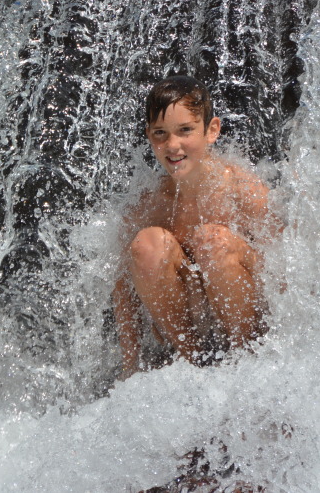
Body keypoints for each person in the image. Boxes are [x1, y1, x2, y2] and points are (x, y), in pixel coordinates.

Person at [113, 75, 281, 379]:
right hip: (195, 330)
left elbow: (287, 269)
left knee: (213, 240)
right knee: (147, 245)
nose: (172, 145)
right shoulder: (152, 204)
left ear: (211, 130)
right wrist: (130, 365)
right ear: (148, 135)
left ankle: (245, 366)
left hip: (248, 325)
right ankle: (191, 367)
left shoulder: (241, 189)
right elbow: (122, 288)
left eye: (185, 131)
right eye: (160, 133)